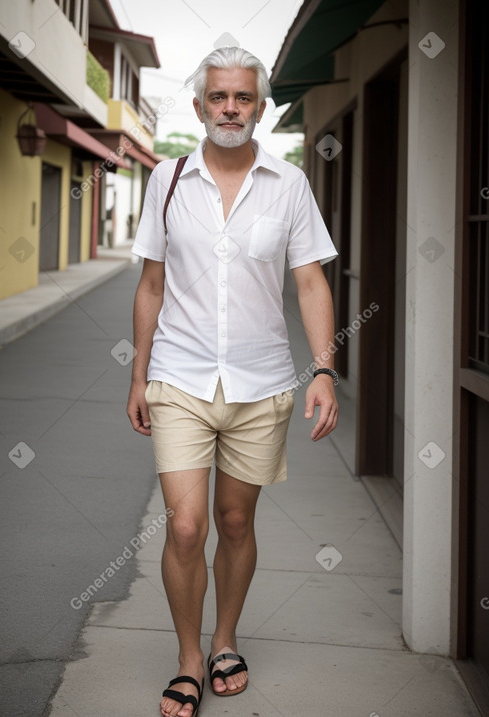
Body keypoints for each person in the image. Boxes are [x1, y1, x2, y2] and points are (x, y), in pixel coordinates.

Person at [127, 46, 339, 717]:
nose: (230, 108)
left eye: (243, 98)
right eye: (218, 97)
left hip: (260, 381)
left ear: (261, 107)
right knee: (186, 526)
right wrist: (138, 373)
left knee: (235, 519)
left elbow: (309, 280)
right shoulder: (167, 179)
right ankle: (189, 657)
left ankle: (224, 638)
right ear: (198, 106)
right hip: (180, 377)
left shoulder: (289, 184)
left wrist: (326, 367)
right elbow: (151, 284)